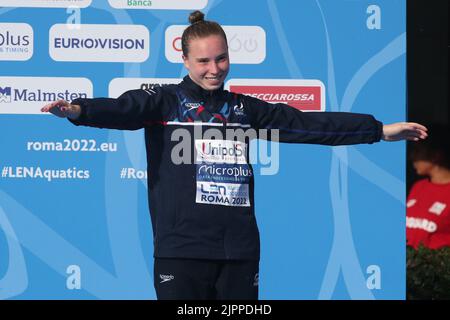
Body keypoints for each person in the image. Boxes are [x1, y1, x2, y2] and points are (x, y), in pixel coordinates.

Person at [41, 10, 428, 300]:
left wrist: (377, 130)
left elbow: (308, 125)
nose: (214, 69)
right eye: (204, 61)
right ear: (185, 60)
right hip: (182, 253)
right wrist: (79, 110)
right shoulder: (163, 102)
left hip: (239, 253)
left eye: (221, 59)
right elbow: (122, 110)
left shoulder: (244, 111)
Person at [407, 125, 450, 249]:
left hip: (437, 266)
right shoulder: (418, 187)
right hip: (409, 266)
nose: (412, 157)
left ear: (435, 155)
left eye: (418, 151)